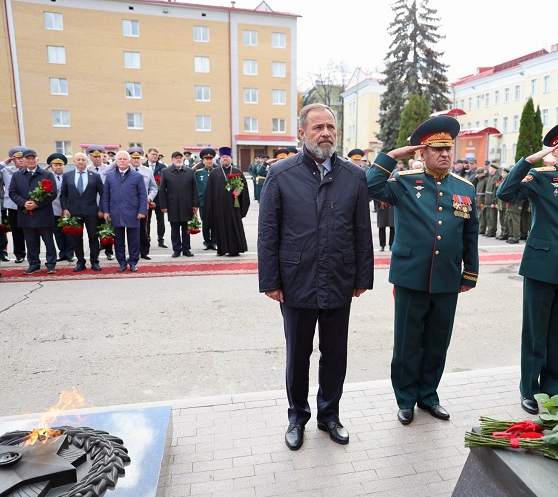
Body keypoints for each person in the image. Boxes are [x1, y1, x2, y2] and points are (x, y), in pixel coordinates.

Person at [258, 103, 374, 451]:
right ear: (302, 133)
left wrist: (362, 277)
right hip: (297, 280)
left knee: (335, 354)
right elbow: (268, 231)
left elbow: (362, 230)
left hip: (339, 277)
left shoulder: (353, 176)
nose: (325, 133)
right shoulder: (281, 174)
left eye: (330, 127)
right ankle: (297, 417)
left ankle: (330, 415)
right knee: (298, 355)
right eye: (318, 127)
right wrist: (270, 281)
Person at [367, 115, 479, 425]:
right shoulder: (405, 182)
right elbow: (370, 186)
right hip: (411, 276)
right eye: (437, 149)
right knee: (407, 342)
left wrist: (470, 272)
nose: (444, 154)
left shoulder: (465, 188)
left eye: (448, 149)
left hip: (447, 277)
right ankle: (405, 399)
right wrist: (391, 156)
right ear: (423, 152)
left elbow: (470, 233)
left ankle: (428, 396)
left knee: (437, 342)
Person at [496, 119, 558, 414]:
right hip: (541, 267)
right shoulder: (540, 177)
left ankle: (552, 390)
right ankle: (529, 390)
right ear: (555, 151)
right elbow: (505, 193)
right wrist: (528, 161)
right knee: (535, 333)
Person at [8, 149, 58, 275]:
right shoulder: (17, 175)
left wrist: (37, 204)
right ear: (23, 160)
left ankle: (51, 264)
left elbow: (53, 193)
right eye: (28, 158)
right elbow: (12, 192)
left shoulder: (47, 175)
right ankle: (34, 264)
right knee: (30, 241)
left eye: (33, 158)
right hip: (26, 213)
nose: (31, 161)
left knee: (48, 240)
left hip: (43, 213)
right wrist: (23, 203)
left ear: (37, 159)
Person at [103, 150, 147, 272]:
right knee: (118, 241)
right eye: (120, 159)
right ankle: (122, 262)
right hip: (116, 213)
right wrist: (106, 211)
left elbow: (143, 195)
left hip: (133, 213)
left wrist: (142, 211)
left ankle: (133, 262)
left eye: (124, 159)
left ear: (129, 161)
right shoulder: (110, 176)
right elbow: (106, 195)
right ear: (116, 161)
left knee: (134, 240)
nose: (122, 161)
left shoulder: (137, 176)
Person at [60, 152, 103, 272]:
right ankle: (80, 262)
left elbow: (103, 193)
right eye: (78, 159)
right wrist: (65, 209)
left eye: (83, 159)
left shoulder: (95, 176)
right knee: (76, 239)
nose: (80, 162)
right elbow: (63, 195)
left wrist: (101, 209)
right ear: (74, 161)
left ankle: (94, 261)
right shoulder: (67, 176)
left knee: (93, 237)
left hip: (91, 212)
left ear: (87, 161)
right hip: (74, 212)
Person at [205, 146, 250, 256]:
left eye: (227, 157)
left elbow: (245, 188)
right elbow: (209, 191)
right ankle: (222, 249)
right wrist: (210, 208)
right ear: (220, 159)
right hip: (219, 207)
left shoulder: (237, 172)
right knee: (220, 227)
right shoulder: (214, 173)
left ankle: (235, 249)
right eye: (223, 157)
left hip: (234, 207)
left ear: (231, 158)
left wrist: (240, 191)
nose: (225, 158)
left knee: (234, 227)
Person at [159, 151, 199, 258]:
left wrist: (195, 204)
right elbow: (162, 190)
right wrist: (163, 205)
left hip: (187, 205)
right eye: (176, 158)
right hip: (172, 206)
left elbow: (195, 189)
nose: (178, 159)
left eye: (180, 158)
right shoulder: (165, 172)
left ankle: (186, 249)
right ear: (172, 159)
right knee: (175, 229)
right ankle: (176, 250)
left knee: (186, 229)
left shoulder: (189, 171)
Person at [0, 146, 29, 263]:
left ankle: (33, 254)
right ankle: (19, 254)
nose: (21, 160)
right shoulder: (6, 170)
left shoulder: (30, 171)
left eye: (22, 158)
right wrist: (4, 163)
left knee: (31, 231)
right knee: (16, 231)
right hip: (13, 205)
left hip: (28, 205)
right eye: (17, 158)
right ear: (13, 159)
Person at [87, 144, 114, 261]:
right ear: (90, 157)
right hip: (92, 204)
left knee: (107, 228)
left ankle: (109, 251)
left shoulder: (108, 169)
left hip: (106, 203)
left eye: (99, 156)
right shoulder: (87, 169)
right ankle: (97, 248)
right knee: (94, 229)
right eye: (95, 156)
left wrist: (104, 208)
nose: (97, 158)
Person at [46, 153, 75, 263]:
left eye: (60, 165)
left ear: (64, 166)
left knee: (69, 232)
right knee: (57, 233)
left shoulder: (69, 177)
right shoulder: (48, 177)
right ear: (51, 167)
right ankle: (62, 253)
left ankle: (70, 253)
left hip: (68, 208)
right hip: (53, 209)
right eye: (55, 165)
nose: (58, 167)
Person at [142, 148, 167, 248]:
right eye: (153, 154)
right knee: (146, 220)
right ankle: (146, 238)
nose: (155, 156)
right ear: (147, 155)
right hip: (146, 198)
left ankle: (161, 239)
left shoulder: (162, 167)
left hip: (159, 197)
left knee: (160, 220)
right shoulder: (142, 167)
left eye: (156, 154)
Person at [194, 148, 216, 250]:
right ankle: (207, 241)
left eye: (210, 159)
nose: (209, 161)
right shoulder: (198, 173)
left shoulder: (217, 172)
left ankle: (214, 242)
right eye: (206, 159)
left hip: (215, 201)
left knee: (215, 222)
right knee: (205, 222)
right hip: (203, 202)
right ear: (203, 161)